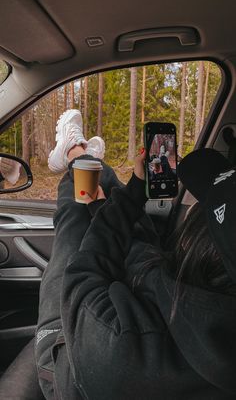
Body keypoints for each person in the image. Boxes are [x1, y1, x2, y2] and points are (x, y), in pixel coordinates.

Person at [35, 109, 236, 400]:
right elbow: (146, 261)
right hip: (126, 324)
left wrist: (113, 205)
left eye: (204, 207)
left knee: (76, 206)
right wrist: (132, 193)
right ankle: (85, 157)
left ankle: (72, 151)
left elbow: (82, 272)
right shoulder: (208, 293)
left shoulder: (123, 347)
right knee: (114, 195)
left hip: (69, 361)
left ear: (206, 252)